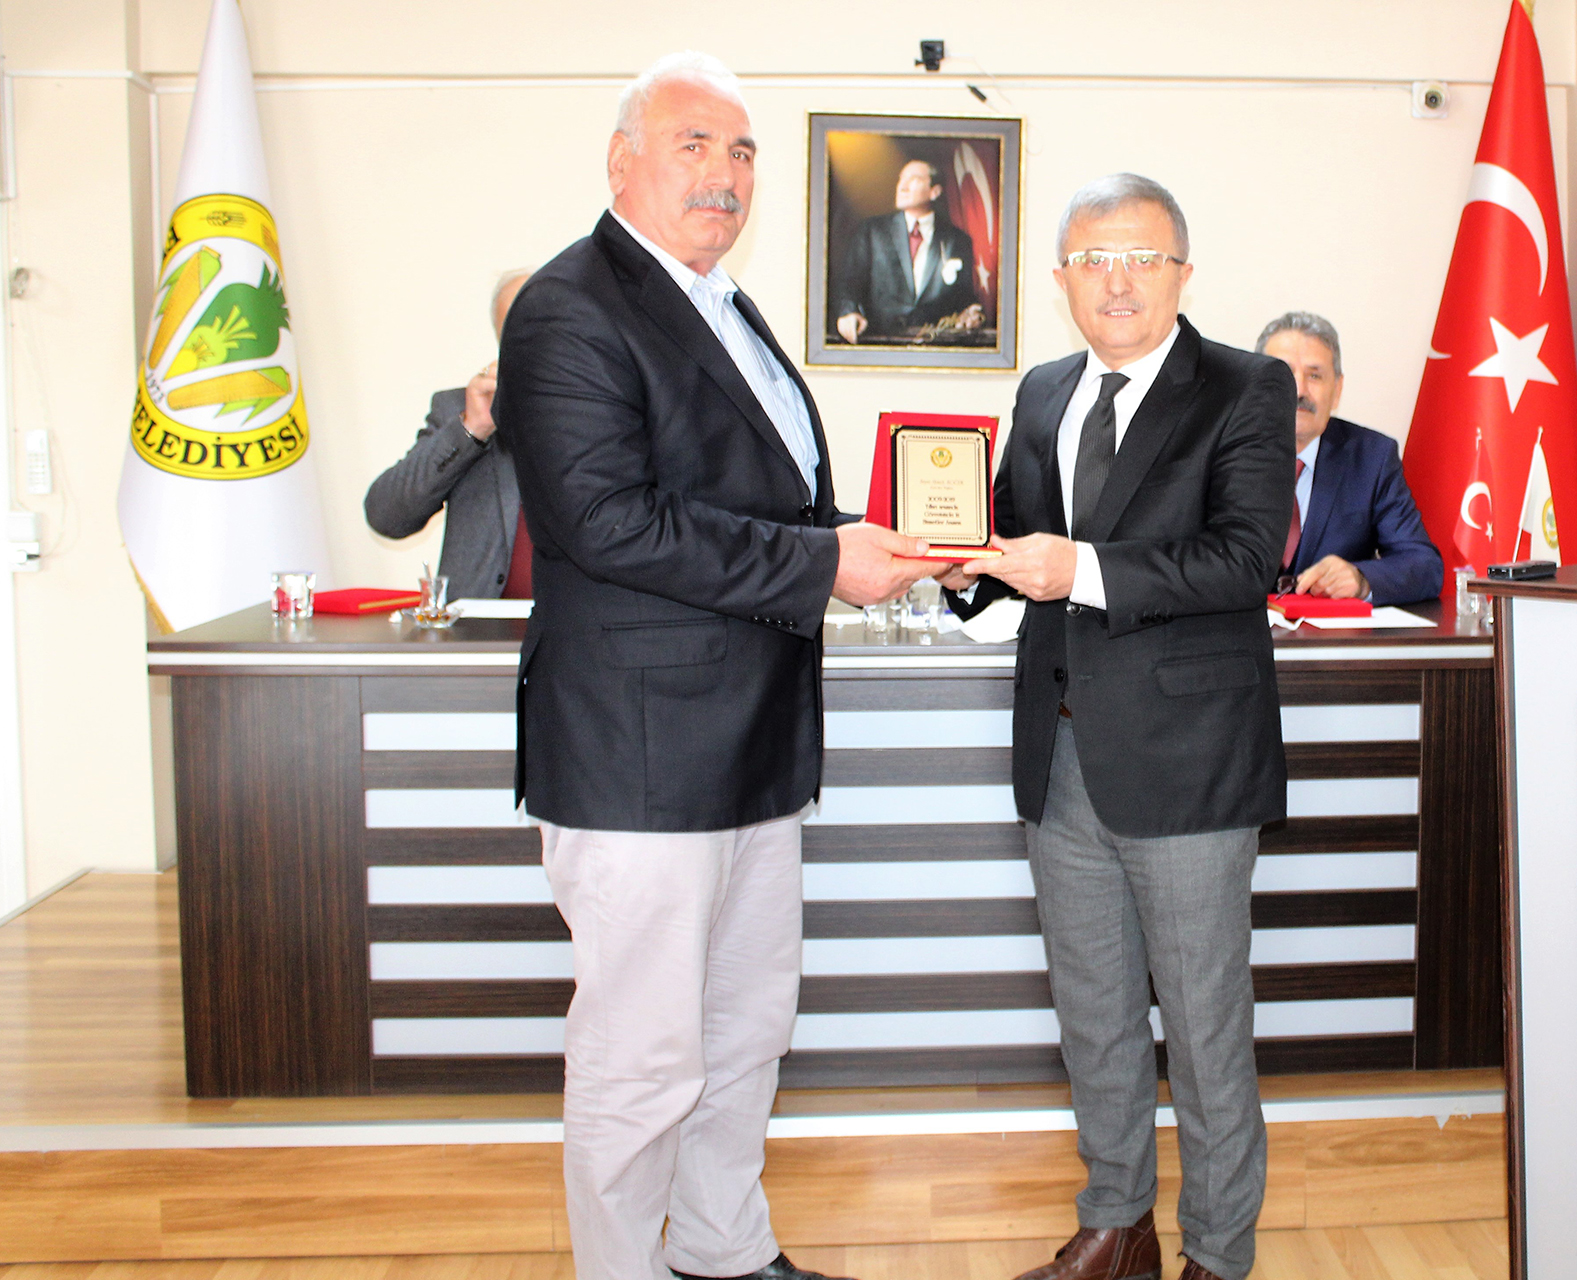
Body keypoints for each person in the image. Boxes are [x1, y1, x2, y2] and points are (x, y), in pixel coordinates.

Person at [496, 51, 936, 1280]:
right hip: (639, 759)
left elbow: (765, 501)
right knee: (641, 1059)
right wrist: (825, 562)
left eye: (741, 151)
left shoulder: (721, 304)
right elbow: (608, 522)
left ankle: (722, 1249)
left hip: (751, 749)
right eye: (692, 143)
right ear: (621, 160)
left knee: (744, 1031)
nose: (724, 172)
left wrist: (881, 543)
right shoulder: (570, 306)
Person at [942, 174, 1294, 1280]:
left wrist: (1081, 569)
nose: (1118, 281)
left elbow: (1245, 557)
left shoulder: (1245, 385)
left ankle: (1218, 1254)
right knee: (1092, 1014)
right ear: (1060, 279)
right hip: (1059, 758)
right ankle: (1118, 1224)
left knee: (1202, 1026)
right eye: (1094, 260)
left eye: (1142, 257)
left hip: (1188, 764)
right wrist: (963, 568)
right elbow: (1015, 539)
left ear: (1183, 272)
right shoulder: (1044, 390)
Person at [362, 269, 535, 597]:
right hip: (480, 623)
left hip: (586, 625)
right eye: (517, 327)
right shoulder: (464, 408)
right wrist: (472, 428)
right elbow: (386, 517)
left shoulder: (618, 410)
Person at [1254, 312, 1443, 605]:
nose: (1300, 390)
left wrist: (1361, 579)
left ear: (1337, 390)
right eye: (1284, 374)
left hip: (1334, 634)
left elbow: (1424, 565)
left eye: (1314, 375)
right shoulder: (1220, 451)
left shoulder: (1372, 458)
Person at [832, 158, 984, 342]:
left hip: (934, 344)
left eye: (914, 179)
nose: (902, 186)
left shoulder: (957, 240)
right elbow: (849, 284)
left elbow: (964, 296)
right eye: (901, 179)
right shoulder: (872, 232)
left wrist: (972, 312)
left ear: (934, 191)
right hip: (880, 342)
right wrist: (848, 312)